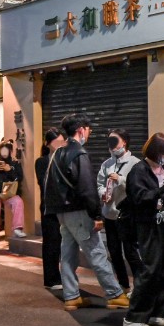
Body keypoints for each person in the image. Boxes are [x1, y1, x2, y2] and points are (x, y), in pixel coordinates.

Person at [44, 113, 129, 312]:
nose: (89, 133)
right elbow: (87, 188)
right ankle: (115, 294)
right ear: (81, 130)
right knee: (96, 251)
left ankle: (71, 296)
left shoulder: (58, 153)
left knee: (67, 254)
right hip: (79, 211)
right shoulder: (79, 154)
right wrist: (96, 215)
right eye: (88, 130)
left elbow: (50, 185)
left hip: (61, 212)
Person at [122, 133, 164, 326]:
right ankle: (134, 316)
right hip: (147, 225)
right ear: (157, 152)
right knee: (150, 268)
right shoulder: (138, 171)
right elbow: (140, 198)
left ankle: (157, 312)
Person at [97, 129, 143, 294]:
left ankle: (140, 285)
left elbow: (138, 187)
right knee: (114, 251)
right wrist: (104, 193)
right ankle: (123, 285)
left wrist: (121, 180)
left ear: (124, 142)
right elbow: (100, 184)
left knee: (131, 252)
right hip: (110, 214)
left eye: (114, 141)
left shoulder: (135, 163)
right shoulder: (106, 164)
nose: (111, 146)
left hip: (127, 215)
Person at [35, 128, 65, 289]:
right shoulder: (42, 161)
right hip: (49, 209)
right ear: (48, 144)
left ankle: (63, 277)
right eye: (57, 142)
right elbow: (44, 183)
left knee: (64, 244)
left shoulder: (65, 159)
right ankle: (51, 279)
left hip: (64, 209)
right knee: (51, 243)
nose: (60, 145)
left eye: (62, 141)